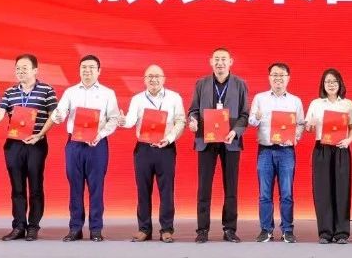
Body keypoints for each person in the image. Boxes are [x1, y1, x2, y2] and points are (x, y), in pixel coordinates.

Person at [0, 54, 57, 241]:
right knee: (17, 187)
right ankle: (19, 226)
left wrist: (40, 134)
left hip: (36, 143)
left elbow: (53, 115)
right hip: (14, 145)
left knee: (35, 186)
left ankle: (33, 226)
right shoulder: (10, 92)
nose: (20, 71)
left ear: (35, 70)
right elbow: (0, 113)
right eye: (18, 68)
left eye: (24, 68)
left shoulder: (47, 90)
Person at [53, 55, 120, 242]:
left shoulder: (108, 93)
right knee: (75, 187)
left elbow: (113, 119)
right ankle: (75, 228)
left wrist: (100, 134)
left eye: (91, 67)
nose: (87, 70)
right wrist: (58, 116)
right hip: (74, 144)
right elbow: (61, 113)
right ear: (79, 70)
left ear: (99, 71)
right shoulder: (70, 92)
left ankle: (96, 228)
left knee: (96, 187)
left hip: (97, 145)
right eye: (84, 67)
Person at [187, 47, 250, 243]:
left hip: (230, 141)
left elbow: (245, 114)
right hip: (206, 140)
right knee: (204, 187)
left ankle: (229, 229)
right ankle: (202, 229)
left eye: (223, 59)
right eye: (217, 59)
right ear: (210, 62)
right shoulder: (201, 83)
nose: (220, 63)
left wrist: (235, 131)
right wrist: (193, 121)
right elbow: (193, 110)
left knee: (231, 187)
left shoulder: (240, 84)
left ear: (231, 61)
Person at [120, 64, 186, 242]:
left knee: (167, 190)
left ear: (163, 79)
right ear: (144, 80)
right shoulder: (137, 99)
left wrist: (169, 138)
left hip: (166, 148)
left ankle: (167, 229)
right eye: (150, 76)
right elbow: (130, 120)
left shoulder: (174, 97)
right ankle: (144, 229)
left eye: (157, 76)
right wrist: (123, 121)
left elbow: (181, 121)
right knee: (143, 190)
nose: (153, 79)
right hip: (144, 149)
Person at [249, 63, 306, 243]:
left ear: (288, 78)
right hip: (265, 150)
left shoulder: (295, 101)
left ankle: (287, 230)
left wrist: (295, 137)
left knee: (287, 192)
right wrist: (257, 117)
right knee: (264, 193)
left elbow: (301, 124)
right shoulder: (260, 98)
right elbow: (251, 122)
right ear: (269, 77)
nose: (278, 78)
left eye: (282, 75)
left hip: (286, 151)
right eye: (274, 75)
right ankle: (266, 229)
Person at [303, 68, 352, 244]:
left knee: (342, 190)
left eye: (334, 81)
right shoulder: (316, 104)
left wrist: (349, 139)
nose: (331, 84)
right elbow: (309, 127)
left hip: (341, 148)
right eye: (327, 81)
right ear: (323, 85)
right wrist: (309, 126)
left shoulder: (348, 104)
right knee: (322, 190)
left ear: (340, 84)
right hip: (322, 149)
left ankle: (342, 233)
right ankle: (325, 232)